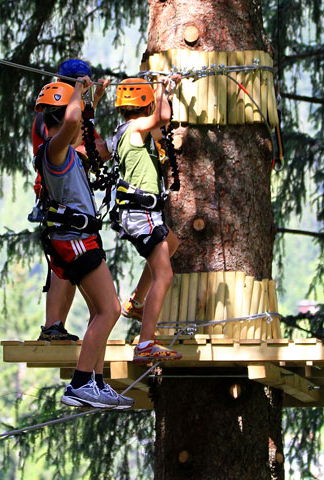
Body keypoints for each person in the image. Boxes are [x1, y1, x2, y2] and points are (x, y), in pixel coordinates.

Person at [34, 79, 132, 409]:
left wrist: (91, 98)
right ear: (61, 119)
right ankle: (80, 384)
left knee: (99, 312)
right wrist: (77, 89)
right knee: (111, 309)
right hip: (75, 241)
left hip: (78, 239)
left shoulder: (71, 150)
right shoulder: (54, 150)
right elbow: (74, 122)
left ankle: (96, 382)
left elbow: (81, 124)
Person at [32, 59, 110, 342]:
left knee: (63, 264)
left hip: (65, 192)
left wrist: (93, 101)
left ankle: (57, 326)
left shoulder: (68, 107)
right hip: (56, 192)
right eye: (78, 83)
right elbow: (72, 130)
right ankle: (53, 324)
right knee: (64, 257)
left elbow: (79, 132)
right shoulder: (52, 114)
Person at [109, 76, 183, 363]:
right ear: (145, 103)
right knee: (164, 274)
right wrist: (162, 87)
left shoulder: (120, 132)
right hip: (143, 214)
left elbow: (158, 126)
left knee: (171, 243)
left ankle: (137, 302)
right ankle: (146, 344)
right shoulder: (138, 127)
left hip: (138, 213)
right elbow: (162, 117)